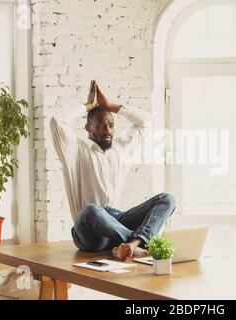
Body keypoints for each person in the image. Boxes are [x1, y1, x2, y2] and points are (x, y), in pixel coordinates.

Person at [50, 80, 176, 260]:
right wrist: (88, 106)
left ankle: (131, 245)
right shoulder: (76, 150)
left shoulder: (121, 149)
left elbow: (146, 121)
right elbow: (57, 121)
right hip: (88, 231)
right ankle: (139, 243)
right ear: (88, 128)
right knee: (91, 210)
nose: (107, 130)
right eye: (101, 125)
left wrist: (112, 106)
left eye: (111, 125)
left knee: (166, 199)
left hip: (114, 224)